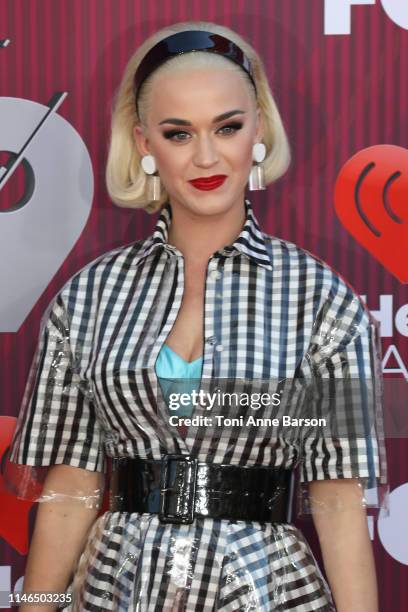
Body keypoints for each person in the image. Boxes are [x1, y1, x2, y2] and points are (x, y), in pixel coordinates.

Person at [6, 20, 387, 612]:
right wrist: (37, 608)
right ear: (144, 143)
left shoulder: (321, 299)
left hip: (265, 593)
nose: (207, 156)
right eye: (178, 133)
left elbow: (338, 500)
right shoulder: (90, 296)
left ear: (258, 128)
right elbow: (72, 491)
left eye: (227, 127)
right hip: (118, 591)